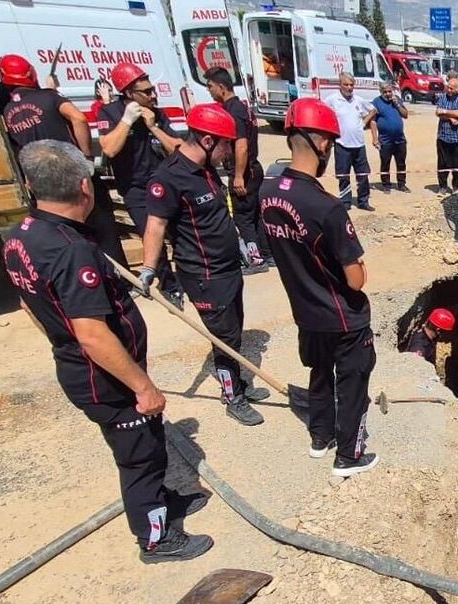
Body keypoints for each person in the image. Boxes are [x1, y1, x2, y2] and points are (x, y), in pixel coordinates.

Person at [4, 140, 212, 563]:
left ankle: (162, 500)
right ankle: (155, 538)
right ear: (86, 186)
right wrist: (143, 386)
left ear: (30, 184)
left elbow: (29, 303)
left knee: (148, 445)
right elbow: (94, 335)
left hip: (86, 367)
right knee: (138, 457)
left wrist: (61, 341)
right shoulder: (70, 249)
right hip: (104, 377)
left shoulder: (22, 236)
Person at [258, 98, 380, 476]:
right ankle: (350, 455)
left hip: (306, 312)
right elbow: (354, 279)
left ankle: (320, 436)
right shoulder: (327, 207)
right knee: (354, 382)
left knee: (319, 372)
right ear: (323, 144)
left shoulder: (268, 193)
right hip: (343, 316)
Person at [140, 104, 268, 427]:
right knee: (223, 339)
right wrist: (148, 269)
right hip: (204, 274)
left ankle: (238, 384)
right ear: (209, 141)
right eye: (226, 144)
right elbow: (155, 225)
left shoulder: (205, 168)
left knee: (234, 331)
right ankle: (232, 396)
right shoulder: (169, 179)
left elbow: (178, 146)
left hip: (227, 268)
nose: (229, 152)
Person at [0, 54, 127, 268]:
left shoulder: (7, 111)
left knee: (66, 230)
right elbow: (79, 117)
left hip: (43, 180)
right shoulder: (50, 97)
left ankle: (86, 270)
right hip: (71, 169)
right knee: (101, 222)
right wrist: (85, 156)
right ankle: (119, 277)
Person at [98, 62, 186, 306]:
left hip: (164, 182)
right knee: (149, 236)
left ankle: (188, 276)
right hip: (135, 187)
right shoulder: (110, 113)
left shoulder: (157, 114)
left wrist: (154, 127)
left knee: (179, 232)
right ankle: (169, 285)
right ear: (128, 93)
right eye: (146, 92)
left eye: (152, 89)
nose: (152, 95)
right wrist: (127, 122)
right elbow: (109, 149)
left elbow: (178, 149)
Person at [204, 67, 269, 270]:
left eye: (211, 87)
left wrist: (238, 176)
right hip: (252, 169)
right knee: (255, 215)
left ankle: (255, 259)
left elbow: (241, 145)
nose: (210, 91)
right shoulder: (242, 107)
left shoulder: (234, 112)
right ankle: (267, 254)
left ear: (222, 87)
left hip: (244, 171)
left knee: (243, 217)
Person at [324, 73, 377, 211]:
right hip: (342, 144)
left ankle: (363, 201)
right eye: (346, 84)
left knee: (363, 175)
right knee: (343, 175)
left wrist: (364, 121)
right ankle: (346, 201)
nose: (349, 87)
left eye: (351, 85)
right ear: (340, 85)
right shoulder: (332, 100)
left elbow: (373, 110)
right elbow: (322, 112)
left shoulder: (358, 100)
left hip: (359, 144)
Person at [368, 82, 410, 192]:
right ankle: (386, 185)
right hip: (385, 140)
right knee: (385, 162)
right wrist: (375, 138)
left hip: (400, 139)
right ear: (381, 92)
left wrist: (397, 104)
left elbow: (405, 115)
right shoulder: (376, 102)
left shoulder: (397, 100)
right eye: (385, 92)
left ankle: (402, 184)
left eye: (389, 91)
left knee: (401, 163)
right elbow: (373, 121)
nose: (387, 94)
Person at [434, 73, 458, 193]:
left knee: (457, 164)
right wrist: (449, 117)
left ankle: (455, 186)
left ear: (457, 89)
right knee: (442, 163)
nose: (448, 90)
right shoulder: (443, 98)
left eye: (451, 88)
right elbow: (438, 112)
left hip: (456, 138)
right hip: (442, 136)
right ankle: (442, 186)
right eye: (448, 87)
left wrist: (445, 112)